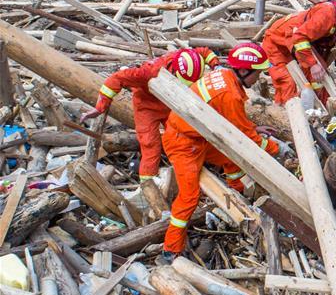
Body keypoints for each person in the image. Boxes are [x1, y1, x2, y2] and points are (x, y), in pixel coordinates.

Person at [161, 43, 291, 261]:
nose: (259, 78)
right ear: (243, 71)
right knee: (189, 197)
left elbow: (233, 122)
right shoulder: (229, 94)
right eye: (257, 73)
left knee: (231, 159)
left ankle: (238, 193)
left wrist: (254, 128)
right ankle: (171, 248)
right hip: (183, 143)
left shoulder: (223, 76)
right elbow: (246, 140)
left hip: (199, 136)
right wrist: (278, 149)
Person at [80, 48, 218, 182]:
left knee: (183, 136)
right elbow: (116, 79)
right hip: (147, 106)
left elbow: (205, 51)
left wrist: (216, 65)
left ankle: (192, 167)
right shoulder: (149, 72)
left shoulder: (190, 55)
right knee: (150, 144)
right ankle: (148, 183)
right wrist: (100, 107)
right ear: (175, 73)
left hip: (171, 102)